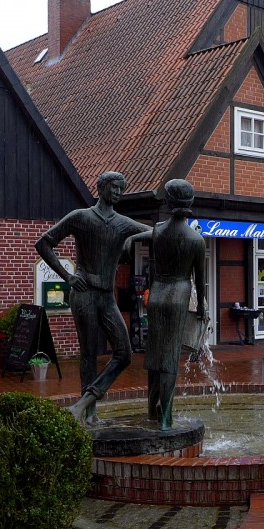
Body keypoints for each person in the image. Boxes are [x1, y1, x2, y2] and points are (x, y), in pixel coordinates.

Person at [36, 171, 151, 425]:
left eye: (122, 188)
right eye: (115, 187)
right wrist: (67, 276)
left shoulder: (123, 223)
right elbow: (44, 243)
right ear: (101, 188)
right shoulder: (81, 217)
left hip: (107, 297)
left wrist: (174, 228)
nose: (119, 192)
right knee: (89, 354)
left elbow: (154, 233)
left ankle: (82, 404)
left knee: (124, 353)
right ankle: (90, 414)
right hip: (84, 294)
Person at [130, 179, 207, 430]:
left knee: (154, 354)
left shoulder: (157, 231)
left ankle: (151, 411)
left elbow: (148, 260)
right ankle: (166, 420)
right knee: (170, 358)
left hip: (158, 294)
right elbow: (200, 280)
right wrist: (203, 310)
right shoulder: (196, 239)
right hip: (178, 295)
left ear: (169, 201)